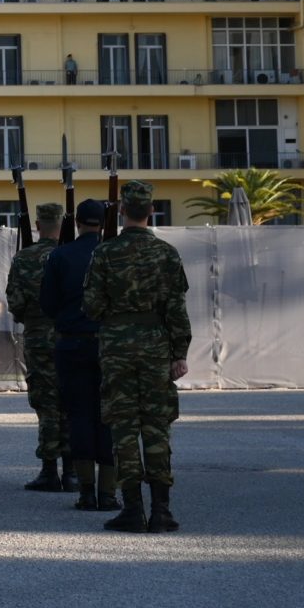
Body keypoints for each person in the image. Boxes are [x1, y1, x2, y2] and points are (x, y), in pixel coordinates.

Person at [85, 182, 193, 533]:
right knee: (156, 426)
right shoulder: (167, 254)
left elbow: (92, 306)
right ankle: (162, 510)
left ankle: (132, 509)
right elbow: (176, 308)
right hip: (156, 345)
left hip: (117, 346)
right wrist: (179, 352)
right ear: (151, 211)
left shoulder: (104, 253)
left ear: (120, 212)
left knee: (124, 426)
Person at [41, 199, 119, 514]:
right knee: (109, 416)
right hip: (109, 346)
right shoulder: (113, 254)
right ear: (104, 223)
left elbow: (47, 303)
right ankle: (108, 492)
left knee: (79, 415)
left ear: (77, 224)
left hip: (71, 344)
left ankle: (87, 491)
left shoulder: (60, 255)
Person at [4, 202, 70, 492]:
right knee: (71, 401)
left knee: (46, 404)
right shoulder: (72, 255)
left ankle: (49, 470)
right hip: (69, 337)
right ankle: (73, 470)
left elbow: (16, 303)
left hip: (38, 337)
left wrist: (31, 317)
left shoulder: (24, 258)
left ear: (38, 226)